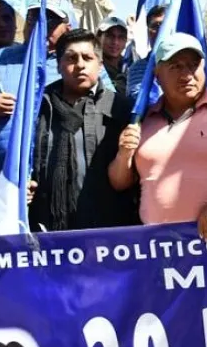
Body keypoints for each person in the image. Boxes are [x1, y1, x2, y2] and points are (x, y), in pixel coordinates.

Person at [108, 33, 207, 240]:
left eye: (193, 65)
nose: (187, 74)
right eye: (176, 66)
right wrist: (124, 155)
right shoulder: (142, 120)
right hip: (159, 248)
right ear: (157, 74)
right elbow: (119, 183)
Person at [28, 29, 135, 231]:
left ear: (100, 64)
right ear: (58, 65)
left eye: (87, 57)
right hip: (46, 229)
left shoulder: (121, 109)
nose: (80, 65)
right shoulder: (36, 107)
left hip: (107, 231)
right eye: (71, 58)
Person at [0, 0, 73, 184]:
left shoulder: (79, 63)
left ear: (67, 28)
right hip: (4, 181)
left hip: (59, 182)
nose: (40, 26)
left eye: (50, 21)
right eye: (33, 18)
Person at [126, 4, 166, 100]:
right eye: (155, 26)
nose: (160, 30)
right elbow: (140, 101)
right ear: (148, 32)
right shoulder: (138, 68)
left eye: (165, 25)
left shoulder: (186, 63)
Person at [96, 16, 129, 96]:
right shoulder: (94, 68)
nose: (115, 42)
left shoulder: (130, 67)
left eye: (121, 37)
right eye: (110, 36)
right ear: (98, 38)